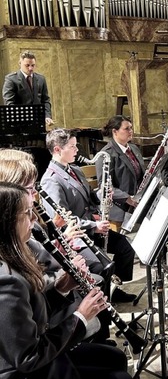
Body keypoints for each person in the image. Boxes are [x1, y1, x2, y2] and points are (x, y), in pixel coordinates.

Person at [0, 182, 131, 379]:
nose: (34, 219)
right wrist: (81, 317)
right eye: (27, 213)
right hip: (24, 375)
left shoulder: (14, 256)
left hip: (40, 354)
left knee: (116, 358)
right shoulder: (6, 280)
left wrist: (61, 289)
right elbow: (28, 357)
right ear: (7, 222)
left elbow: (31, 312)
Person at [40, 129, 137, 303]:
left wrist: (103, 194)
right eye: (72, 146)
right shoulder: (51, 180)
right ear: (57, 150)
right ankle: (101, 301)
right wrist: (93, 225)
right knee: (101, 265)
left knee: (126, 247)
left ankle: (115, 288)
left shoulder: (75, 169)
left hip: (91, 227)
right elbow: (61, 218)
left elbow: (91, 197)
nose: (77, 150)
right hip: (74, 235)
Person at [96, 115, 145, 226]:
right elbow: (105, 187)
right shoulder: (106, 154)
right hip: (120, 208)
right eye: (126, 129)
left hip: (137, 203)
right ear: (115, 131)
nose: (131, 131)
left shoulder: (134, 148)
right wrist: (127, 198)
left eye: (131, 128)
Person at [2, 50, 54, 126]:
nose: (30, 68)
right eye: (27, 65)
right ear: (20, 63)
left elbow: (45, 100)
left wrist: (47, 116)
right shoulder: (11, 79)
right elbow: (9, 104)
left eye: (33, 65)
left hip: (38, 122)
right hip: (19, 124)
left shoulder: (41, 79)